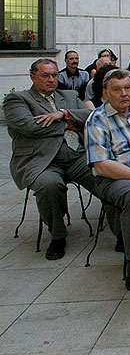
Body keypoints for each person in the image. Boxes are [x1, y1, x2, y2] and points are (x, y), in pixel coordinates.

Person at [4, 59, 102, 260]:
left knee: (107, 176)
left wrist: (63, 113)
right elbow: (28, 126)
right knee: (50, 185)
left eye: (55, 75)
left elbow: (91, 115)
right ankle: (58, 237)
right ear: (33, 77)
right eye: (45, 75)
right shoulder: (18, 99)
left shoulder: (69, 95)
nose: (51, 80)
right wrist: (66, 125)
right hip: (41, 161)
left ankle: (122, 233)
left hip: (76, 156)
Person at [84, 69, 130, 297]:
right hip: (114, 179)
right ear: (105, 93)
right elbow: (102, 165)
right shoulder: (97, 119)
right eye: (116, 90)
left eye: (128, 88)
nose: (124, 94)